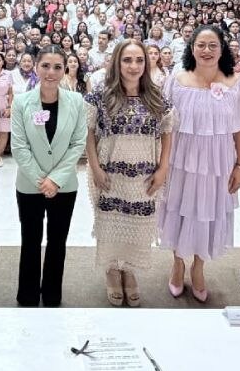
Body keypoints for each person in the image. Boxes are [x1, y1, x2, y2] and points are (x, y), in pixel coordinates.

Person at [156, 26, 240, 303]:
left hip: (218, 163)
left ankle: (198, 267)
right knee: (179, 209)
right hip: (180, 160)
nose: (206, 50)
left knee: (208, 212)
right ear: (191, 48)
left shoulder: (237, 83)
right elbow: (164, 124)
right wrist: (161, 163)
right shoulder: (177, 78)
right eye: (201, 45)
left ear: (222, 49)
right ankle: (177, 263)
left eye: (213, 45)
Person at [85, 39, 173, 307]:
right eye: (127, 60)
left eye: (139, 60)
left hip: (145, 175)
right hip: (110, 173)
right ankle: (113, 270)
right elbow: (88, 132)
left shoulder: (156, 95)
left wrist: (163, 168)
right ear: (117, 63)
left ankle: (130, 270)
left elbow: (167, 131)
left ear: (146, 63)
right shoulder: (101, 94)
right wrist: (95, 168)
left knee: (138, 224)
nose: (133, 66)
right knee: (110, 223)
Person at [10, 46, 87, 307]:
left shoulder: (76, 101)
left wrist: (56, 179)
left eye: (57, 67)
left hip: (64, 186)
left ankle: (52, 295)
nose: (51, 72)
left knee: (57, 241)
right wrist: (41, 179)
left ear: (65, 69)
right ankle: (28, 295)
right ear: (36, 67)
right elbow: (19, 147)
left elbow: (78, 143)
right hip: (30, 184)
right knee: (30, 240)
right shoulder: (22, 102)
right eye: (45, 66)